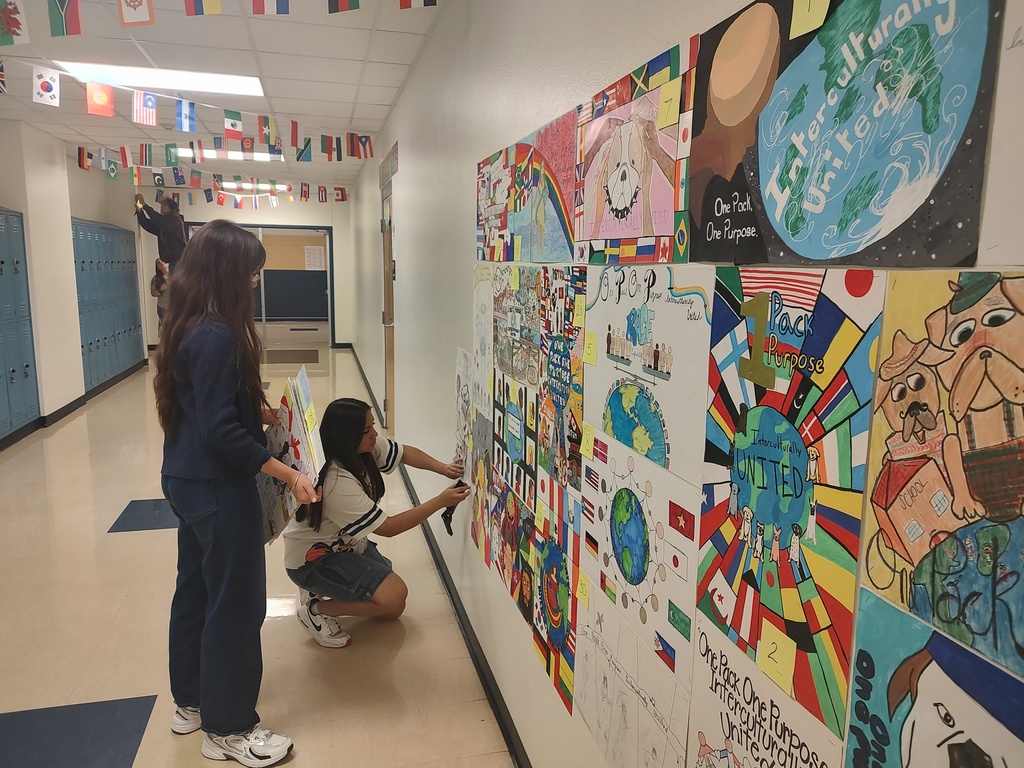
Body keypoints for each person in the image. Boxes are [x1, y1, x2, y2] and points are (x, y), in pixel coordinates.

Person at [154, 219, 318, 767]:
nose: (252, 283)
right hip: (221, 490)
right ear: (226, 272)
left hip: (184, 481)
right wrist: (287, 472)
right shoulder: (220, 335)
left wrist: (262, 412)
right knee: (237, 605)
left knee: (196, 592)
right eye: (249, 274)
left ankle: (193, 703)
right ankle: (229, 729)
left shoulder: (187, 324)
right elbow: (222, 433)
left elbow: (207, 410)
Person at [282, 398, 470, 648]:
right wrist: (439, 501)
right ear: (347, 436)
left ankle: (321, 591)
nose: (375, 434)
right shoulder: (336, 481)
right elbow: (388, 528)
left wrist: (443, 468)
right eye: (367, 430)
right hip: (312, 560)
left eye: (372, 426)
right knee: (393, 597)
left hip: (345, 545)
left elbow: (404, 453)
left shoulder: (362, 447)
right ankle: (315, 610)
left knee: (391, 610)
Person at [135, 192, 187, 274]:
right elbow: (147, 224)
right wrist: (139, 208)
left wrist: (144, 205)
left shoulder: (175, 220)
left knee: (175, 283)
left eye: (164, 205)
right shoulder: (165, 224)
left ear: (171, 209)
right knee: (173, 282)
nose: (161, 207)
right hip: (174, 259)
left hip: (178, 259)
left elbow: (157, 219)